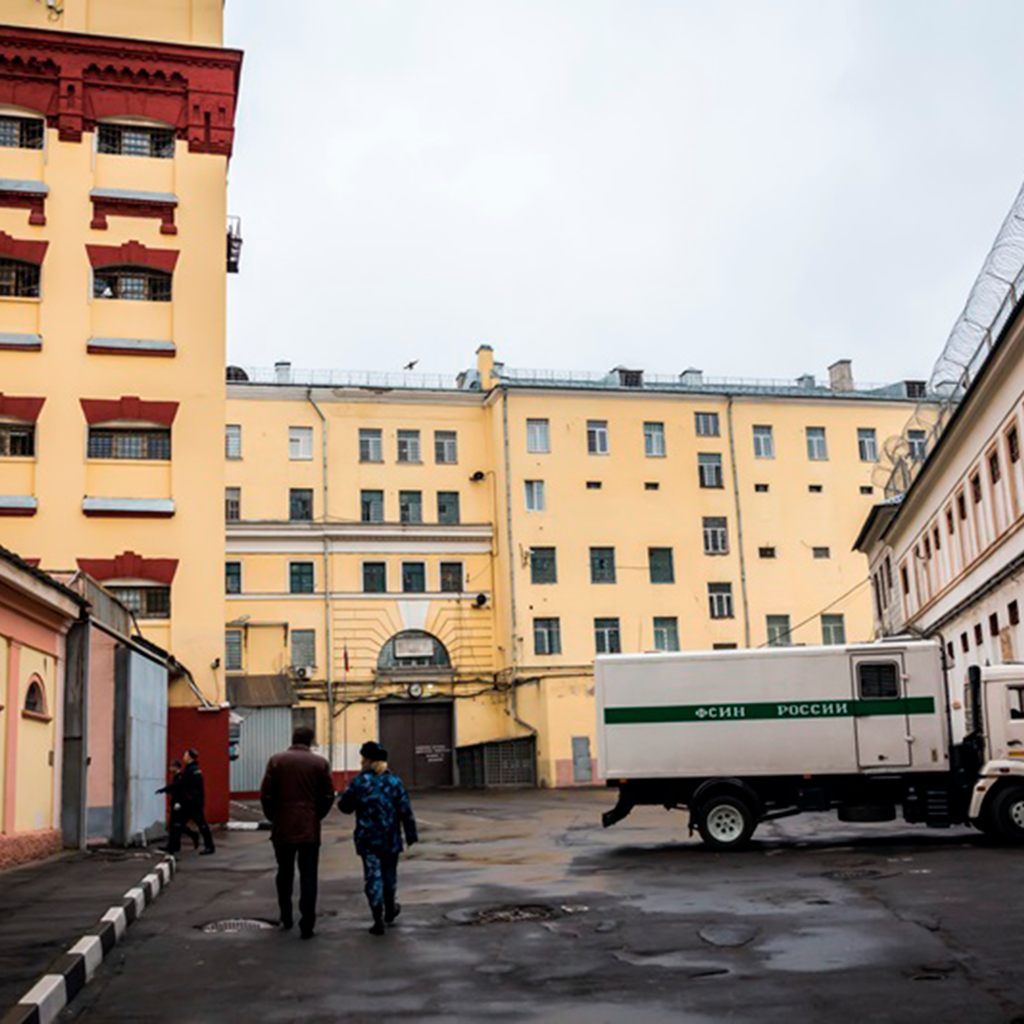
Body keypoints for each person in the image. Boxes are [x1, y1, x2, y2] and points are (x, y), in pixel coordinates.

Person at [260, 725, 335, 939]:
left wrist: (274, 817)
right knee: (309, 876)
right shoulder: (319, 763)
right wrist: (315, 815)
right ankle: (307, 923)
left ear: (293, 739)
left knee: (284, 872)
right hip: (309, 828)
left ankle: (286, 915)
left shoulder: (277, 761)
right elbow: (328, 796)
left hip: (283, 826)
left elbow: (266, 795)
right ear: (310, 741)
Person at [338, 740, 418, 936]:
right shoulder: (394, 782)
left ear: (366, 760)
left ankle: (377, 919)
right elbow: (405, 810)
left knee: (373, 876)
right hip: (390, 838)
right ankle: (390, 909)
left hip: (368, 839)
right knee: (389, 876)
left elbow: (345, 807)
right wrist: (410, 833)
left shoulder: (359, 782)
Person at [167, 748, 215, 856]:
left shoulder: (191, 771)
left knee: (200, 825)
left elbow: (182, 784)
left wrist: (167, 789)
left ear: (189, 757)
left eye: (185, 755)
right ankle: (173, 846)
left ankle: (209, 846)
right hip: (192, 803)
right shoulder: (192, 769)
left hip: (193, 804)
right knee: (179, 824)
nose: (183, 757)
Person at [157, 759, 199, 851]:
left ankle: (173, 846)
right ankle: (177, 844)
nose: (170, 768)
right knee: (177, 825)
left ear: (177, 767)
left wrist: (164, 790)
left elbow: (179, 789)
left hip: (180, 804)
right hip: (177, 803)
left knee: (176, 825)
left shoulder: (180, 777)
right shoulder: (177, 777)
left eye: (172, 766)